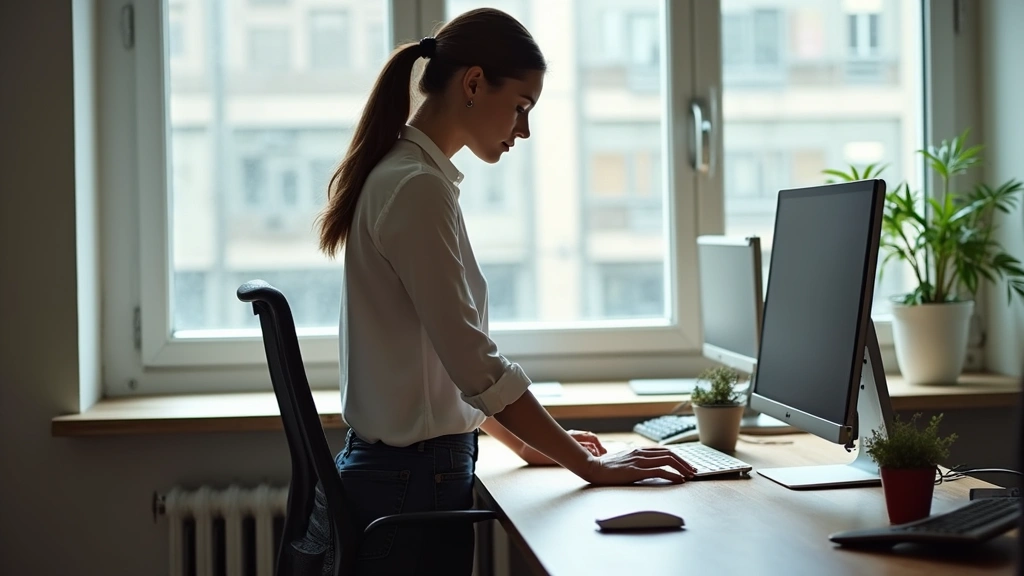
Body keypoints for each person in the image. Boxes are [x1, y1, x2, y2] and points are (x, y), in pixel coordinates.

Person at [304, 7, 697, 575]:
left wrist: (526, 445)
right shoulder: (416, 188)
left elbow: (442, 368)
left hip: (405, 479)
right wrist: (592, 469)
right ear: (472, 83)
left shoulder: (410, 176)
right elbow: (472, 362)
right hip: (412, 488)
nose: (525, 129)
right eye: (521, 106)